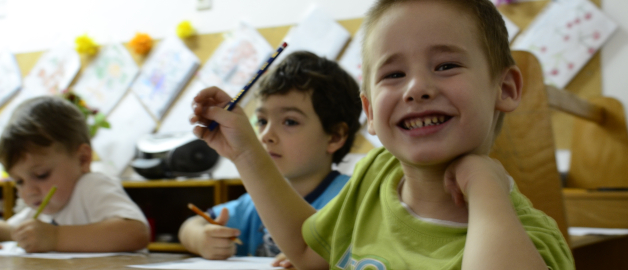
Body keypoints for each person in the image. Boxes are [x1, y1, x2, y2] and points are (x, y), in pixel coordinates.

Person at [190, 0, 575, 269]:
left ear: (504, 90)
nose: (416, 88)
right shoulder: (376, 174)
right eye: (393, 74)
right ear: (370, 113)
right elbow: (309, 249)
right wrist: (243, 152)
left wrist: (486, 187)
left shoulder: (530, 240)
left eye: (446, 65)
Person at [179, 51, 362, 264]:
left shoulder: (352, 199)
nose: (266, 136)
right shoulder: (257, 199)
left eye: (290, 122)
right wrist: (202, 238)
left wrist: (310, 258)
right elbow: (190, 225)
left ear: (335, 136)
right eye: (262, 121)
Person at [0, 96, 150, 253]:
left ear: (83, 159)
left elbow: (135, 232)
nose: (29, 191)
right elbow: (10, 230)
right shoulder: (37, 211)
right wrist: (15, 234)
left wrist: (55, 237)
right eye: (19, 181)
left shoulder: (91, 186)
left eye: (41, 175)